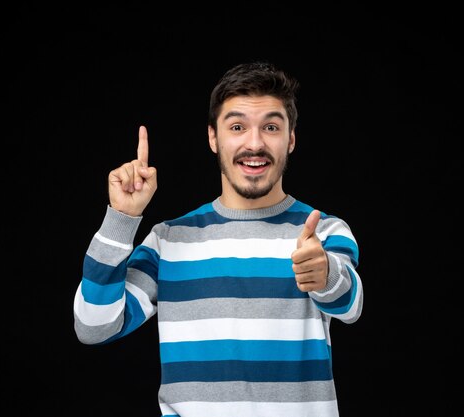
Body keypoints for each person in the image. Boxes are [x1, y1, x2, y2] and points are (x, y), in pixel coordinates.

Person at [73, 61, 364, 417]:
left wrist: (325, 275)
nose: (254, 143)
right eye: (237, 126)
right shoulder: (168, 241)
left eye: (271, 127)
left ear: (291, 139)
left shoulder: (322, 231)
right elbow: (94, 326)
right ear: (213, 137)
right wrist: (121, 219)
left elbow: (350, 305)